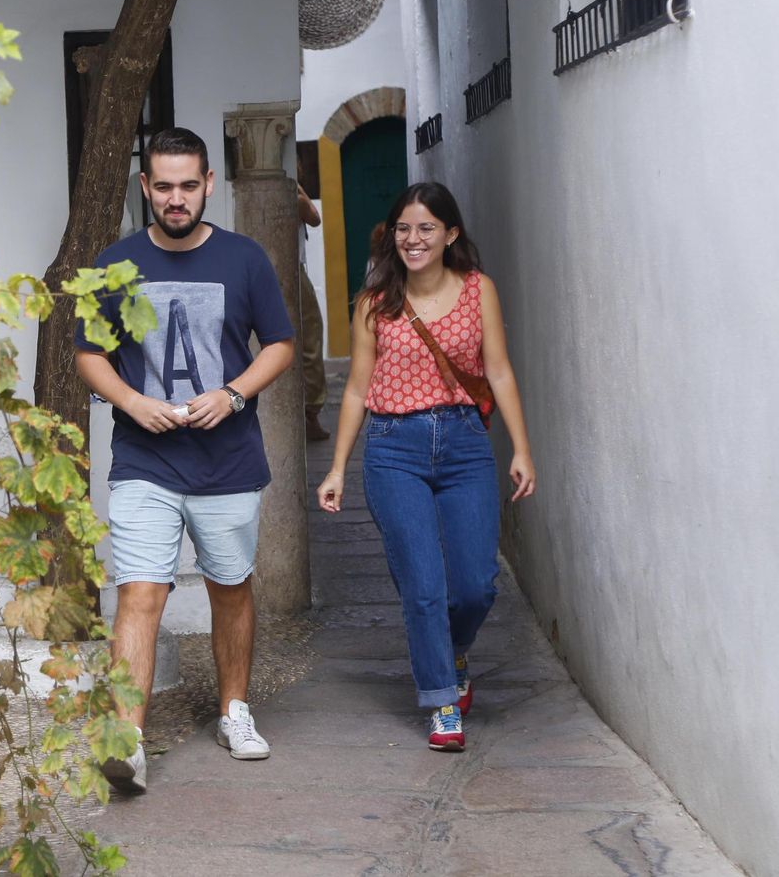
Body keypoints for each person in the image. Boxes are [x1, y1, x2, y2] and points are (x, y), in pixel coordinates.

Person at [75, 127, 296, 793]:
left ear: (207, 185)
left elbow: (280, 345)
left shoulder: (245, 259)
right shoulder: (113, 263)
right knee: (140, 593)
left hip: (227, 461)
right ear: (146, 187)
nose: (176, 199)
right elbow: (89, 354)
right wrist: (132, 402)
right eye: (163, 187)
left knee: (231, 587)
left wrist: (232, 395)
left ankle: (235, 711)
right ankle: (127, 741)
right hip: (145, 459)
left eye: (188, 185)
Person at [315, 182, 536, 753]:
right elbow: (357, 391)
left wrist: (521, 448)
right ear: (392, 236)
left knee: (475, 586)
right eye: (404, 229)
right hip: (394, 450)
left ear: (450, 234)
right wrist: (337, 466)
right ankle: (442, 699)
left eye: (427, 228)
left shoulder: (478, 290)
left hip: (464, 444)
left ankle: (453, 649)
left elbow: (501, 371)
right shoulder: (374, 303)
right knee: (423, 588)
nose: (414, 239)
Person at [296, 181, 330, 442]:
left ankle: (308, 413)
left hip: (294, 268)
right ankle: (310, 412)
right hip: (292, 270)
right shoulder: (292, 193)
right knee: (310, 337)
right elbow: (314, 217)